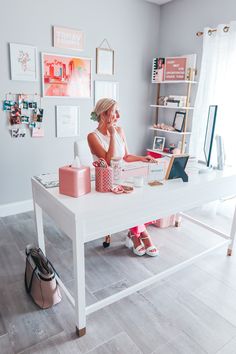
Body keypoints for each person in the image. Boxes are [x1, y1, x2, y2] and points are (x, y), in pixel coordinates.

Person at [87, 98, 159, 257]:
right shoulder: (92, 137)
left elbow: (126, 156)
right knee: (133, 200)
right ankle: (142, 235)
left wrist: (142, 158)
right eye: (115, 111)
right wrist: (111, 134)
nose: (118, 115)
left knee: (145, 196)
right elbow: (108, 160)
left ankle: (135, 233)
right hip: (108, 182)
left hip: (124, 176)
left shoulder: (120, 130)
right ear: (104, 114)